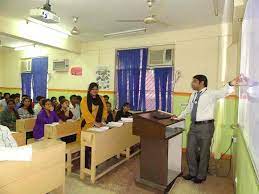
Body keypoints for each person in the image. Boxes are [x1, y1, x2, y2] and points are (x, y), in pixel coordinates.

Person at [172, 74, 241, 184]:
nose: (192, 83)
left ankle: (201, 175)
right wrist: (179, 117)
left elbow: (223, 92)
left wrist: (230, 84)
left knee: (204, 152)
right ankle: (192, 172)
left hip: (206, 127)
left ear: (201, 83)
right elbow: (188, 109)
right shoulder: (193, 94)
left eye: (194, 81)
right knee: (190, 150)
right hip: (193, 126)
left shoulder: (210, 93)